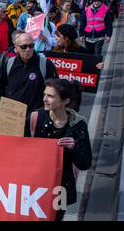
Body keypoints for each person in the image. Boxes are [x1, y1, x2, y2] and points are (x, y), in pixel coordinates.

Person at [24, 78, 92, 221]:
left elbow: (85, 163)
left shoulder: (78, 125)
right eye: (44, 95)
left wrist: (73, 148)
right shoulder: (36, 117)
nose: (45, 99)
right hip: (34, 185)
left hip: (60, 188)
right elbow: (19, 148)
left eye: (50, 96)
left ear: (65, 101)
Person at [0, 33, 58, 114]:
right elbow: (0, 88)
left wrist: (45, 113)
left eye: (31, 46)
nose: (28, 49)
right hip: (13, 116)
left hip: (36, 116)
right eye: (24, 47)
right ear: (16, 48)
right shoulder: (8, 64)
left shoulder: (45, 64)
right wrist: (2, 108)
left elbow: (55, 90)